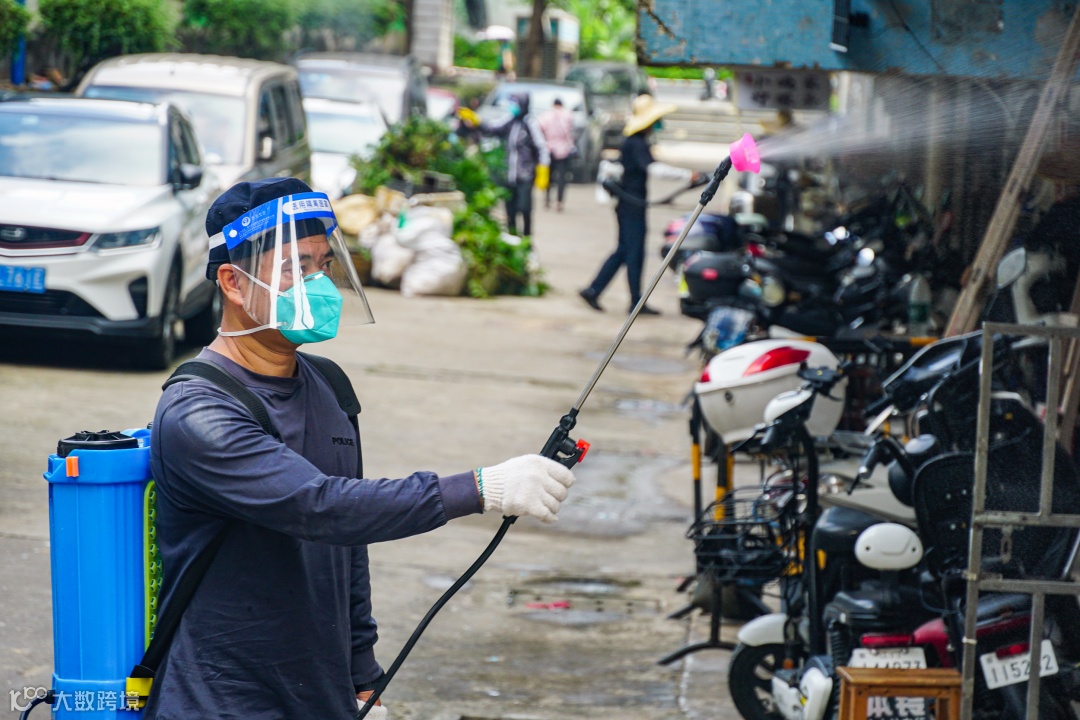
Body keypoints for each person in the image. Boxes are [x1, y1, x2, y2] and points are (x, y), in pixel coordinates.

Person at [145, 177, 575, 720]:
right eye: (296, 267)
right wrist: (481, 488)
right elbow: (322, 507)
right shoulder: (199, 413)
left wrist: (363, 675)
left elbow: (347, 548)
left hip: (319, 694)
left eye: (324, 265)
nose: (318, 283)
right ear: (232, 282)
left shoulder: (328, 385)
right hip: (223, 700)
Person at [579, 94, 702, 315]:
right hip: (631, 205)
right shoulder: (636, 143)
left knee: (626, 250)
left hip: (630, 204)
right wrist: (687, 174)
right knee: (632, 252)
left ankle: (600, 291)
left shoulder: (636, 142)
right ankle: (627, 299)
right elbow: (654, 169)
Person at [460, 92, 549, 237]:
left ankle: (527, 237)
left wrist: (543, 168)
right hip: (509, 175)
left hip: (525, 175)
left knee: (524, 208)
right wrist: (476, 119)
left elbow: (541, 147)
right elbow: (492, 128)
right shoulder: (509, 121)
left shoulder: (530, 124)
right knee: (510, 210)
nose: (512, 107)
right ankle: (513, 237)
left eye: (515, 103)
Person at [538, 97, 575, 212]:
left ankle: (547, 199)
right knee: (562, 177)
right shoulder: (568, 115)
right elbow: (571, 131)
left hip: (549, 149)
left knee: (549, 175)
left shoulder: (546, 115)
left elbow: (540, 128)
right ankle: (559, 201)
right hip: (564, 149)